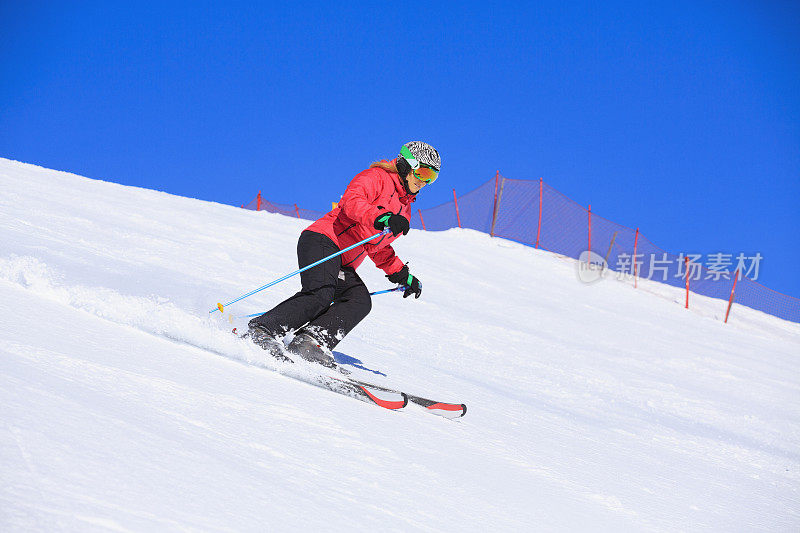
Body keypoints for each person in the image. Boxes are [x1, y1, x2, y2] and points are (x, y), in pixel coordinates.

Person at [247, 141, 441, 367]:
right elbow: (352, 202)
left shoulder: (404, 209)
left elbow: (375, 245)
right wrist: (381, 218)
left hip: (344, 261)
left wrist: (401, 273)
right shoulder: (376, 178)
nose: (425, 181)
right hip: (323, 240)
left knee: (359, 300)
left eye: (432, 177)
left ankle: (310, 341)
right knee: (320, 294)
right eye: (423, 172)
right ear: (407, 165)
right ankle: (264, 329)